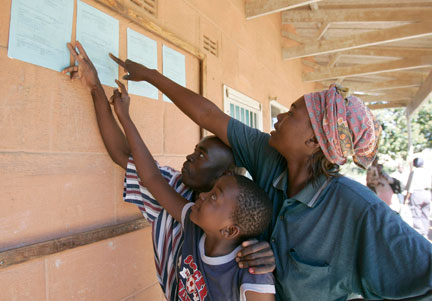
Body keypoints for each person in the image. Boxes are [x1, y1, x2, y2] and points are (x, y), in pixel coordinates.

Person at [110, 54, 432, 300]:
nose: (279, 116)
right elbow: (209, 115)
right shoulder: (268, 156)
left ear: (314, 142)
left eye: (292, 113)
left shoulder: (357, 209)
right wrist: (150, 76)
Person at [62, 42, 275, 300]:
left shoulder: (248, 255)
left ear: (224, 175)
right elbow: (139, 167)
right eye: (195, 150)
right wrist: (98, 89)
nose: (189, 157)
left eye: (201, 156)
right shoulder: (188, 208)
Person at [110, 79, 276, 300]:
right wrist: (124, 117)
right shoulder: (194, 223)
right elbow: (151, 177)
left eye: (214, 196)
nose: (204, 196)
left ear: (228, 230)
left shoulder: (252, 275)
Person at [406, 157, 432, 238]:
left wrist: (406, 198)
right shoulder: (428, 172)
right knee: (425, 214)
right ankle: (425, 232)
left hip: (417, 193)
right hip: (427, 193)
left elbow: (410, 186)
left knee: (416, 214)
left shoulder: (414, 172)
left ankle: (421, 234)